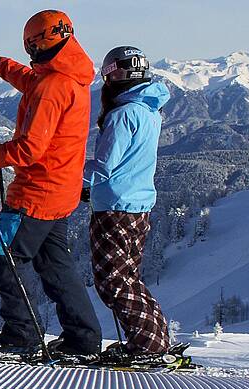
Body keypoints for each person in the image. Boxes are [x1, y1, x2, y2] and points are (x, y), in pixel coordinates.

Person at [0, 9, 102, 359]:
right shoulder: (69, 75)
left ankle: (21, 336)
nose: (29, 54)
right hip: (61, 192)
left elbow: (28, 149)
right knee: (55, 266)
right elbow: (32, 82)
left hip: (36, 193)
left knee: (2, 259)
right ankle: (83, 339)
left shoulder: (53, 86)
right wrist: (1, 66)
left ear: (37, 42)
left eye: (30, 47)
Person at [84, 46, 174, 360]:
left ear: (114, 76)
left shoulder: (123, 114)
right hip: (138, 204)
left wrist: (69, 177)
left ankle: (146, 345)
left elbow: (104, 165)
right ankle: (155, 338)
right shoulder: (149, 110)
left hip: (115, 207)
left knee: (111, 280)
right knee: (126, 277)